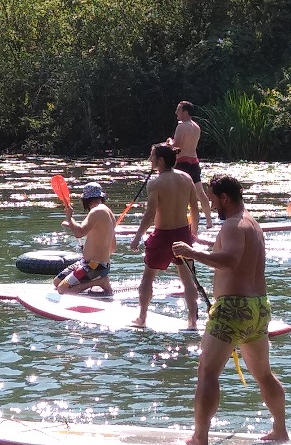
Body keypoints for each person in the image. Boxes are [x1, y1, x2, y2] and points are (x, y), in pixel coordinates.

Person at [172, 174, 289, 445]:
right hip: (258, 307)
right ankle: (280, 430)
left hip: (233, 308)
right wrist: (196, 248)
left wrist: (192, 254)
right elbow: (231, 253)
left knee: (207, 372)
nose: (212, 206)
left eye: (213, 200)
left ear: (225, 197)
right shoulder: (252, 224)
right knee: (263, 374)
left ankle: (200, 437)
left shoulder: (233, 226)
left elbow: (231, 260)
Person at [129, 143, 200, 328]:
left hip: (162, 235)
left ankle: (142, 317)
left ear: (160, 161)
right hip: (183, 233)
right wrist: (194, 232)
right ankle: (192, 321)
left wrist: (138, 235)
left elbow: (150, 214)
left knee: (147, 277)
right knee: (188, 279)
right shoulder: (187, 178)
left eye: (152, 157)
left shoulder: (155, 183)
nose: (150, 160)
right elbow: (194, 207)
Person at [54, 181, 116, 295]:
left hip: (95, 266)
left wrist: (69, 218)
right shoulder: (108, 212)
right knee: (57, 282)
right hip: (90, 264)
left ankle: (101, 281)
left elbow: (79, 233)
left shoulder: (96, 211)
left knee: (62, 289)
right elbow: (112, 248)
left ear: (86, 200)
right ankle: (96, 280)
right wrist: (71, 224)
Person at [167, 100, 213, 228]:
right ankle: (209, 221)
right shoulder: (196, 127)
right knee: (200, 193)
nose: (176, 112)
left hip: (183, 163)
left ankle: (178, 221)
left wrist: (169, 142)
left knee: (179, 194)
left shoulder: (181, 126)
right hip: (194, 162)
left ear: (185, 112)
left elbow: (177, 146)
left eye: (178, 110)